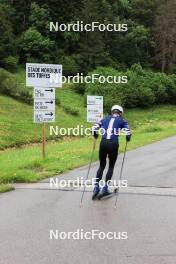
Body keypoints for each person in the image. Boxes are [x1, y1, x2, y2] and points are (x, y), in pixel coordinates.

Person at [92, 105, 131, 199]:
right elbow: (128, 133)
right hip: (113, 144)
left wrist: (95, 135)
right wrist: (128, 138)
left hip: (103, 143)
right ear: (120, 113)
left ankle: (96, 187)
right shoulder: (123, 121)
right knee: (111, 166)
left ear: (112, 112)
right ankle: (105, 189)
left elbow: (94, 128)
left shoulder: (104, 119)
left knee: (101, 166)